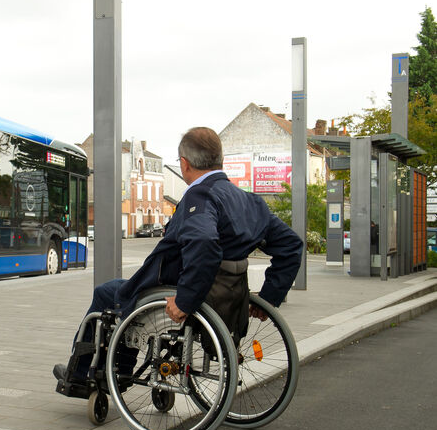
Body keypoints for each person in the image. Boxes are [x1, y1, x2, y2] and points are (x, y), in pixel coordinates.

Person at [53, 126, 303, 384]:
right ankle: (120, 369)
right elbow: (291, 245)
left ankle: (84, 375)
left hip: (178, 290)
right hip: (229, 296)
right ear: (220, 160)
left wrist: (185, 299)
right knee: (125, 294)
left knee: (109, 293)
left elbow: (204, 242)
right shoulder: (250, 201)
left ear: (184, 164)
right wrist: (271, 295)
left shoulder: (201, 196)